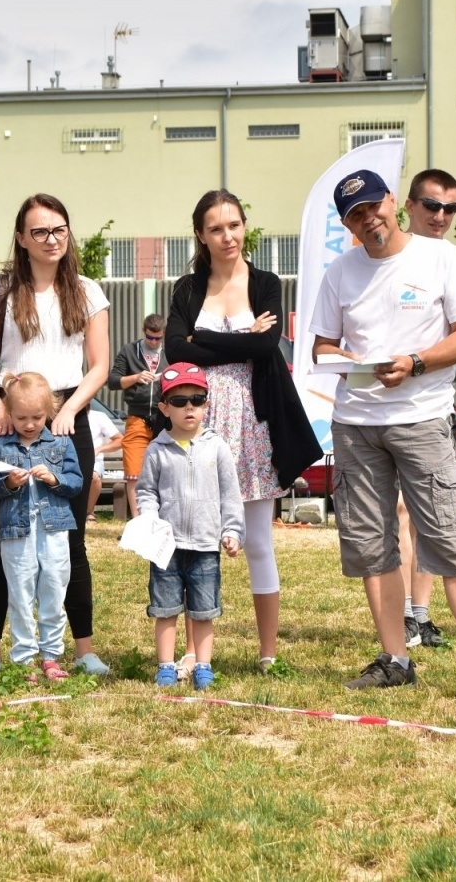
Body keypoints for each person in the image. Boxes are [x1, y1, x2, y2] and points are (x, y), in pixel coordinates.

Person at [309, 169, 456, 700]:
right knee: (373, 547)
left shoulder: (449, 260)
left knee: (447, 538)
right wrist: (343, 359)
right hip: (356, 423)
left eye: (375, 206)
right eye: (356, 214)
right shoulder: (340, 272)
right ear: (346, 223)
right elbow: (321, 346)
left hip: (422, 417)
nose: (369, 218)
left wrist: (414, 362)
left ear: (393, 201)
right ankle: (395, 657)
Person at [166, 189, 321, 673]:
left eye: (233, 225)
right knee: (196, 537)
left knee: (257, 540)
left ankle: (268, 653)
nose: (226, 235)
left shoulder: (267, 281)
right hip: (199, 417)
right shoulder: (188, 289)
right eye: (216, 228)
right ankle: (194, 651)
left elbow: (268, 345)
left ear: (244, 226)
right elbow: (175, 351)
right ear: (201, 235)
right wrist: (242, 340)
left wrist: (204, 340)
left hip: (254, 419)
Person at [0, 194, 112, 678]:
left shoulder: (87, 290)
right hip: (13, 415)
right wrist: (0, 412)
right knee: (1, 540)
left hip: (70, 418)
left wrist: (69, 409)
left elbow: (101, 364)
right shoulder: (1, 289)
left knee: (70, 540)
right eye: (41, 232)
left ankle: (82, 649)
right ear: (21, 238)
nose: (52, 240)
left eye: (59, 230)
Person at [138, 365, 244, 691]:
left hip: (205, 545)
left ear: (206, 405)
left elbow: (231, 495)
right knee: (165, 609)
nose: (189, 407)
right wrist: (150, 522)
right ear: (164, 407)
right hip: (166, 549)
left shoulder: (218, 447)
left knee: (203, 611)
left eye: (196, 400)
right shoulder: (157, 450)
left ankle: (203, 665)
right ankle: (166, 666)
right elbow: (146, 492)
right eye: (180, 400)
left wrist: (232, 531)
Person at [394, 168, 456, 649]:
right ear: (409, 206)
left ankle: (421, 614)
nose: (440, 216)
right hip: (381, 410)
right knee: (399, 514)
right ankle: (402, 614)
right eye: (431, 206)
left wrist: (418, 363)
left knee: (428, 517)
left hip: (435, 407)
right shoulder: (378, 259)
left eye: (450, 208)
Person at [0, 373, 83, 682]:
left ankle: (51, 656)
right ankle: (24, 659)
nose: (29, 424)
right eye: (21, 417)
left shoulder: (61, 443)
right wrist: (8, 482)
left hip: (54, 530)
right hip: (16, 533)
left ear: (49, 410)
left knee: (53, 589)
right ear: (8, 413)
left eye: (37, 417)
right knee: (20, 594)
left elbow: (76, 482)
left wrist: (54, 478)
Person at [108, 314, 167, 485]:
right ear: (143, 331)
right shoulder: (129, 350)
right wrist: (135, 378)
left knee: (165, 472)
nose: (154, 342)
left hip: (164, 417)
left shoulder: (170, 351)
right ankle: (137, 513)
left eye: (158, 338)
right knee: (134, 473)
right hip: (137, 417)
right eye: (149, 337)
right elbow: (112, 382)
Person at [84, 408, 123, 516]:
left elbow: (120, 440)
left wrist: (99, 449)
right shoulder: (64, 416)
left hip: (94, 462)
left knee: (94, 477)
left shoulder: (99, 416)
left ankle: (89, 512)